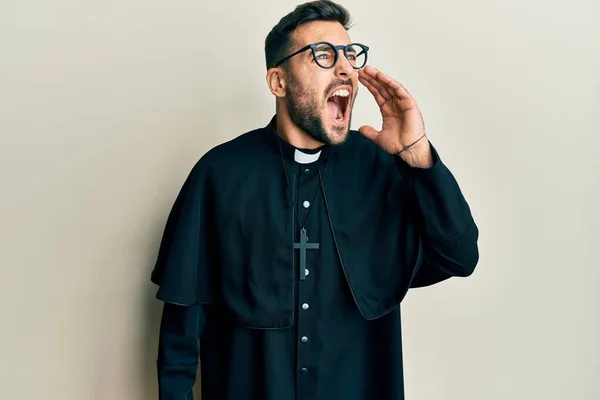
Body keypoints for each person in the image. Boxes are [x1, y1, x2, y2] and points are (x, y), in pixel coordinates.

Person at [150, 1, 480, 399]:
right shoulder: (220, 174)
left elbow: (460, 257)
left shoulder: (382, 167)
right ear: (278, 82)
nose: (345, 68)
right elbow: (181, 332)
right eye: (323, 55)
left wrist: (417, 154)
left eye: (349, 54)